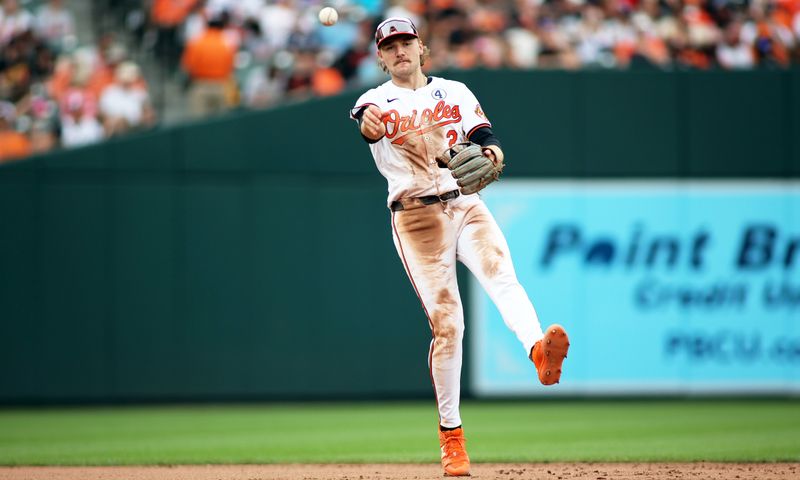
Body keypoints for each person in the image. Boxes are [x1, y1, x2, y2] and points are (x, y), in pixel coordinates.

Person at [349, 17, 570, 477]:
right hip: (415, 216)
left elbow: (484, 138)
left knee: (502, 277)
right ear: (380, 57)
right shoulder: (374, 100)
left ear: (422, 47)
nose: (399, 51)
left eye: (406, 41)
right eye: (389, 46)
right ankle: (452, 438)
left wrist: (494, 154)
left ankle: (538, 352)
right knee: (449, 326)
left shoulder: (455, 91)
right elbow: (366, 125)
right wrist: (367, 123)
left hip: (465, 203)